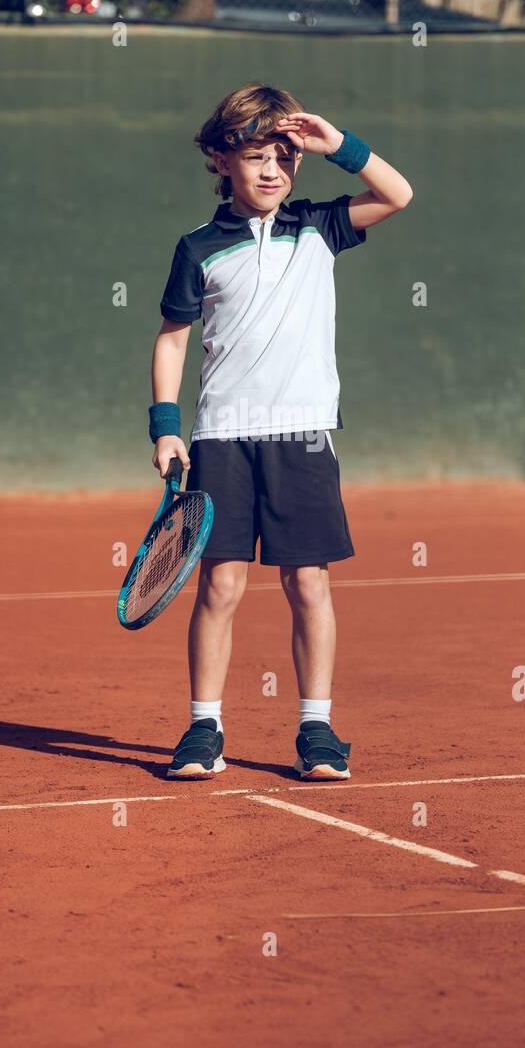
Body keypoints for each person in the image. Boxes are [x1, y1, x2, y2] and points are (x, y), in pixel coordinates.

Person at [148, 82, 412, 780]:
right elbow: (172, 339)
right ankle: (204, 730)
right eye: (257, 157)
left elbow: (398, 194)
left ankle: (317, 730)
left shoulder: (319, 227)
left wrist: (339, 146)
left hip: (303, 436)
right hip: (223, 437)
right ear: (221, 159)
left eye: (284, 158)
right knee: (221, 587)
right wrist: (166, 427)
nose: (272, 171)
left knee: (307, 584)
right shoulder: (198, 248)